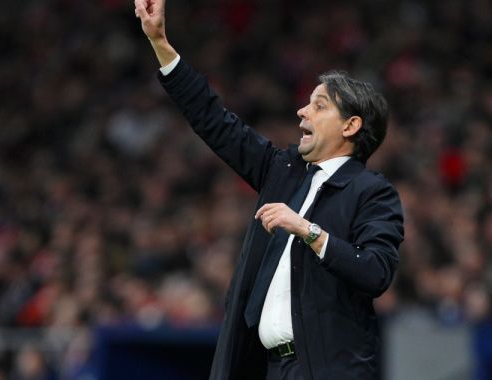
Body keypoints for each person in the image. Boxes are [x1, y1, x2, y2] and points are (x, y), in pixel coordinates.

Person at [134, 0, 405, 378]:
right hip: (267, 367)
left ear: (350, 126)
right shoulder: (284, 172)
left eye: (319, 105)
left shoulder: (372, 192)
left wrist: (307, 230)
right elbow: (215, 122)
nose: (302, 112)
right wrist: (161, 43)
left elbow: (376, 271)